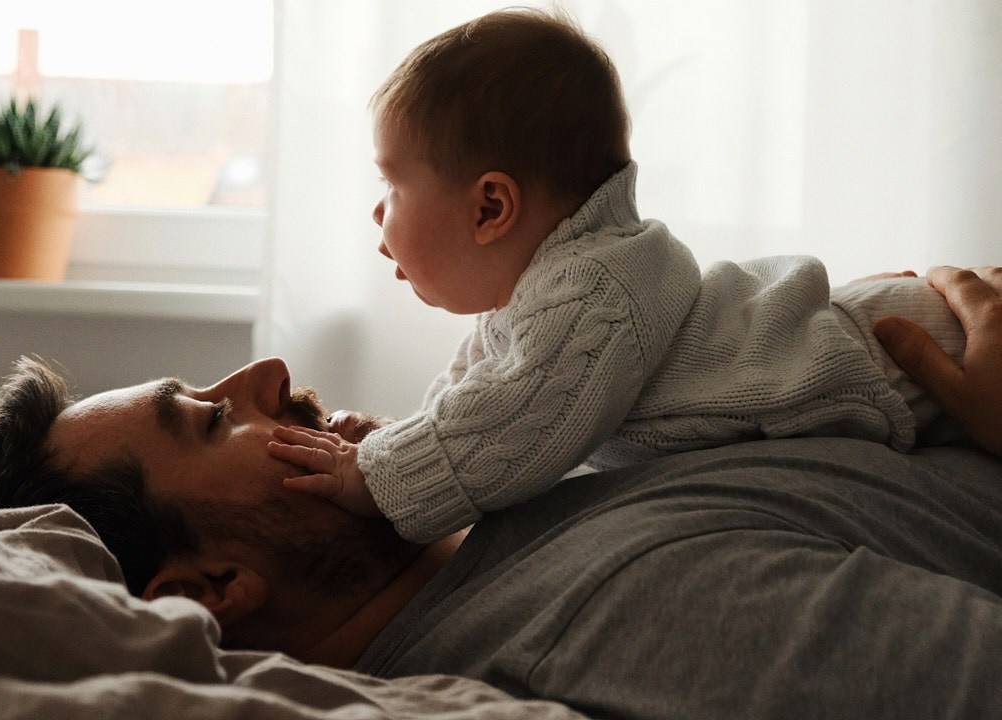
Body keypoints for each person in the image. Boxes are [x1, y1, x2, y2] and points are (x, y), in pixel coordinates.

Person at [0, 265, 1002, 718]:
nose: (269, 375)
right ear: (215, 587)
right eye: (213, 419)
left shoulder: (510, 452)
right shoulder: (619, 621)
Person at [267, 8, 969, 546]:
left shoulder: (595, 291)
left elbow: (515, 421)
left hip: (889, 349)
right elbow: (477, 402)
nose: (375, 211)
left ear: (490, 206)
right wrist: (389, 438)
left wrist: (374, 476)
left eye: (391, 185)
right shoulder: (539, 295)